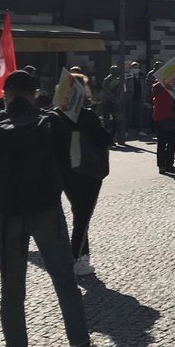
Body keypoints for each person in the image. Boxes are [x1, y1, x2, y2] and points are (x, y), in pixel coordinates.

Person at [0, 70, 114, 347]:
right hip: (46, 210)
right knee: (64, 280)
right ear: (34, 92)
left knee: (12, 289)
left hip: (9, 213)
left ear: (6, 93)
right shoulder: (52, 121)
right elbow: (66, 165)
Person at [58, 74, 114, 276]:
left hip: (65, 171)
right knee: (83, 215)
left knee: (78, 212)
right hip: (88, 170)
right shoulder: (88, 115)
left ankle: (81, 255)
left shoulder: (56, 116)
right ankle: (77, 257)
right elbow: (104, 139)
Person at [152, 79, 175, 175]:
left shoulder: (174, 87)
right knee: (162, 143)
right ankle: (162, 165)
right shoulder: (159, 86)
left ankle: (169, 164)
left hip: (171, 117)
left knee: (171, 143)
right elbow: (155, 89)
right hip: (162, 118)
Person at [100, 67, 123, 140]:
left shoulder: (118, 80)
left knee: (116, 121)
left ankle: (111, 138)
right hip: (107, 102)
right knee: (107, 121)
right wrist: (115, 99)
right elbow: (106, 91)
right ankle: (107, 138)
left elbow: (120, 91)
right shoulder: (107, 80)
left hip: (115, 103)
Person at [125, 62, 143, 135]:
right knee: (129, 115)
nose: (136, 69)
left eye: (137, 67)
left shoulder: (141, 76)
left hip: (139, 98)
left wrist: (144, 97)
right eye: (134, 68)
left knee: (140, 115)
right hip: (131, 98)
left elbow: (144, 87)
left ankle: (139, 130)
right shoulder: (128, 77)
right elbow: (125, 87)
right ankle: (126, 130)